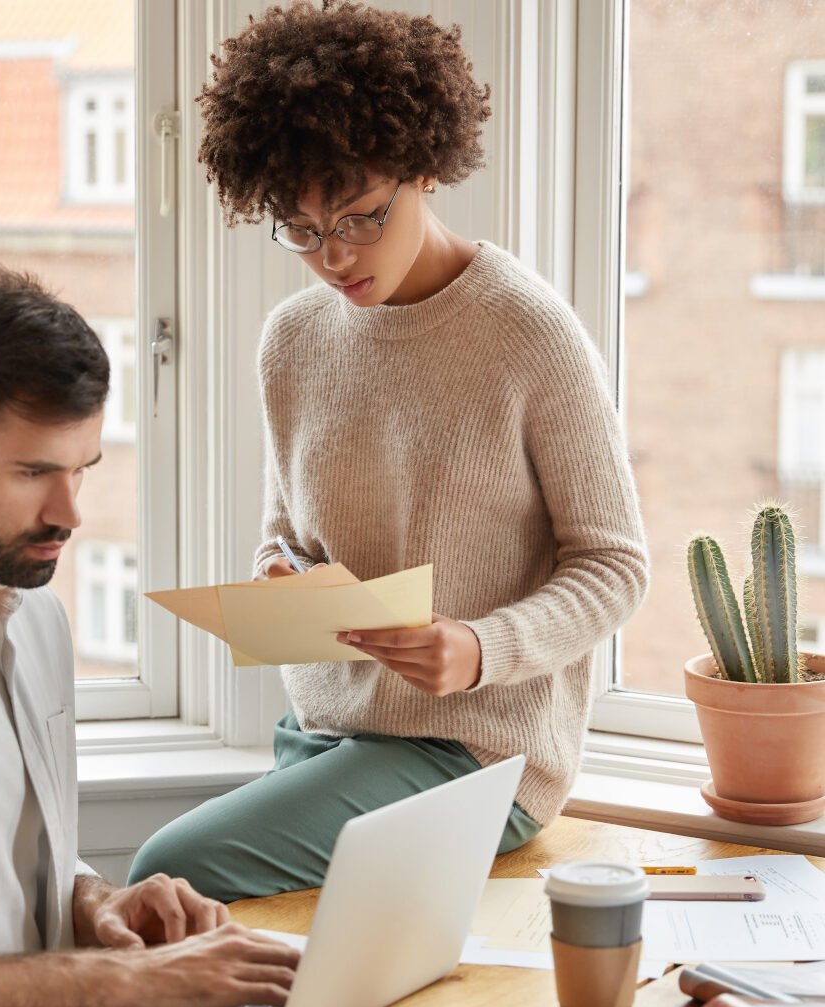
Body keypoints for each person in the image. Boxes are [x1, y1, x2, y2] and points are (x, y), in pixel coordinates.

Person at [129, 0, 649, 903]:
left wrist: (480, 648)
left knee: (166, 873)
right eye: (301, 229)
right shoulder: (293, 340)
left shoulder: (528, 333)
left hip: (473, 753)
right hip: (324, 734)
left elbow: (616, 566)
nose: (334, 255)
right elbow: (288, 535)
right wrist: (280, 575)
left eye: (361, 217)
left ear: (423, 168)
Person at [0, 266, 298, 1007]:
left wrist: (96, 903)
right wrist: (133, 980)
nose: (70, 512)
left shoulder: (35, 620)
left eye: (82, 470)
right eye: (35, 472)